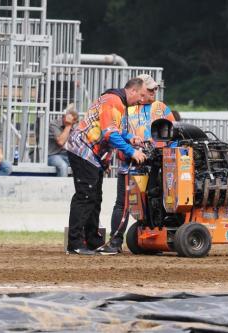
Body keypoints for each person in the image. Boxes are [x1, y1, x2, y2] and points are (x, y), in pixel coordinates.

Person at [64, 78, 147, 255]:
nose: (141, 100)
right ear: (132, 91)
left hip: (91, 155)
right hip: (83, 151)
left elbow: (111, 128)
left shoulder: (114, 100)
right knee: (85, 195)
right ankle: (75, 243)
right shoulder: (114, 101)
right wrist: (132, 151)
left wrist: (128, 137)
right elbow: (109, 133)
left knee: (94, 196)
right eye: (140, 95)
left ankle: (93, 240)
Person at [99, 74, 175, 255]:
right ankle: (116, 241)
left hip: (157, 164)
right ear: (139, 90)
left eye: (155, 89)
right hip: (130, 162)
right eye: (149, 89)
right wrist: (113, 155)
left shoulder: (162, 108)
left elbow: (174, 133)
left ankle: (154, 240)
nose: (153, 92)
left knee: (156, 202)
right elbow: (114, 133)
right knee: (123, 203)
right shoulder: (126, 107)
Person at [47, 104, 79, 177]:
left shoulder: (75, 125)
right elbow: (60, 142)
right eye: (72, 120)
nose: (73, 123)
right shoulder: (54, 124)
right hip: (53, 155)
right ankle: (62, 188)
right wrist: (68, 126)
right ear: (64, 117)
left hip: (69, 155)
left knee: (83, 165)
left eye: (75, 121)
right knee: (63, 166)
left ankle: (80, 188)